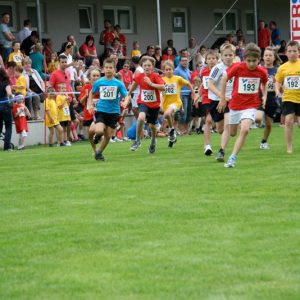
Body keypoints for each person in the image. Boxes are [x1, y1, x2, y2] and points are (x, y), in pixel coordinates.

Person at [219, 43, 268, 168]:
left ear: (259, 59)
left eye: (254, 61)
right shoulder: (237, 67)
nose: (251, 64)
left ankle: (232, 158)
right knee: (233, 133)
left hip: (251, 105)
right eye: (249, 61)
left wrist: (264, 95)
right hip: (235, 105)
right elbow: (224, 79)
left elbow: (264, 84)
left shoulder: (262, 71)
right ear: (244, 59)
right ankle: (241, 122)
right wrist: (223, 98)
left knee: (245, 130)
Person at [87, 58, 129, 161]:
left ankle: (99, 152)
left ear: (114, 69)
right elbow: (91, 93)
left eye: (111, 68)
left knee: (108, 135)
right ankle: (97, 137)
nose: (109, 69)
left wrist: (125, 102)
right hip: (101, 111)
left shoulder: (118, 84)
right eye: (107, 67)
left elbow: (127, 95)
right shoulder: (99, 82)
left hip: (114, 112)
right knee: (99, 131)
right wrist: (90, 104)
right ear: (103, 69)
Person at [127, 56, 165, 153]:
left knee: (152, 126)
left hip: (155, 105)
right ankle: (137, 141)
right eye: (145, 65)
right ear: (142, 66)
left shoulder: (156, 76)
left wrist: (151, 84)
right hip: (143, 102)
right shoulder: (139, 76)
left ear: (152, 67)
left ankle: (152, 142)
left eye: (149, 65)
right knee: (141, 118)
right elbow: (135, 85)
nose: (147, 67)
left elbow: (163, 87)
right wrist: (128, 94)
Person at [207, 43, 236, 162]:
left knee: (228, 125)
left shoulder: (237, 67)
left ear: (234, 55)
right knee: (220, 129)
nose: (228, 57)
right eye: (226, 55)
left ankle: (221, 151)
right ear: (221, 56)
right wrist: (222, 97)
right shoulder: (217, 68)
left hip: (231, 100)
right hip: (216, 100)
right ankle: (224, 134)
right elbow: (210, 85)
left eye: (230, 55)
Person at [161, 60, 195, 147]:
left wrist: (193, 92)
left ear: (173, 70)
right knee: (168, 116)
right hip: (165, 104)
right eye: (167, 70)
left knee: (168, 114)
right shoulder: (161, 80)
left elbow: (188, 84)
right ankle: (172, 135)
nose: (169, 71)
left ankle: (171, 130)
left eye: (170, 69)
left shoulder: (177, 78)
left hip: (176, 102)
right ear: (164, 71)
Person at [275, 40, 300, 154]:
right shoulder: (282, 67)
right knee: (288, 121)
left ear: (298, 52)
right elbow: (278, 81)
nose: (292, 53)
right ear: (286, 53)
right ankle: (289, 147)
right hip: (288, 98)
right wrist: (277, 90)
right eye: (290, 51)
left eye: (294, 51)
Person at [256, 47, 281, 150]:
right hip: (259, 97)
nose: (268, 57)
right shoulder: (258, 69)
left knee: (269, 124)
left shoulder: (277, 70)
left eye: (270, 55)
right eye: (266, 55)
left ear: (274, 58)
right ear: (263, 57)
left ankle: (264, 141)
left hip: (272, 99)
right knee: (258, 119)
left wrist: (278, 88)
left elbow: (280, 85)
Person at [200, 50, 219, 155]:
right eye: (209, 59)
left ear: (217, 60)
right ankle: (207, 145)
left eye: (213, 58)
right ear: (206, 61)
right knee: (208, 120)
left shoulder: (221, 70)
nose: (211, 60)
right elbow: (203, 85)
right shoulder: (203, 72)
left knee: (220, 127)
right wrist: (197, 94)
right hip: (207, 99)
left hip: (218, 98)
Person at [79, 68, 101, 144]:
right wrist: (86, 95)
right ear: (89, 77)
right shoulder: (86, 87)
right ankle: (94, 150)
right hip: (89, 113)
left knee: (99, 132)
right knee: (91, 136)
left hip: (100, 113)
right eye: (94, 75)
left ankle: (100, 149)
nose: (96, 77)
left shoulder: (102, 86)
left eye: (97, 76)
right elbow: (81, 102)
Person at [174, 55, 192, 134]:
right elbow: (174, 82)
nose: (185, 62)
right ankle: (180, 130)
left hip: (189, 93)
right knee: (182, 113)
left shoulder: (187, 70)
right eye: (183, 60)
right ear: (180, 62)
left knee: (188, 113)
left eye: (186, 60)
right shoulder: (177, 70)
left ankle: (185, 130)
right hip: (181, 94)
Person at [0, 67, 13, 151]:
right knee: (8, 126)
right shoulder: (6, 82)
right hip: (5, 105)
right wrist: (11, 102)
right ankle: (7, 147)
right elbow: (9, 93)